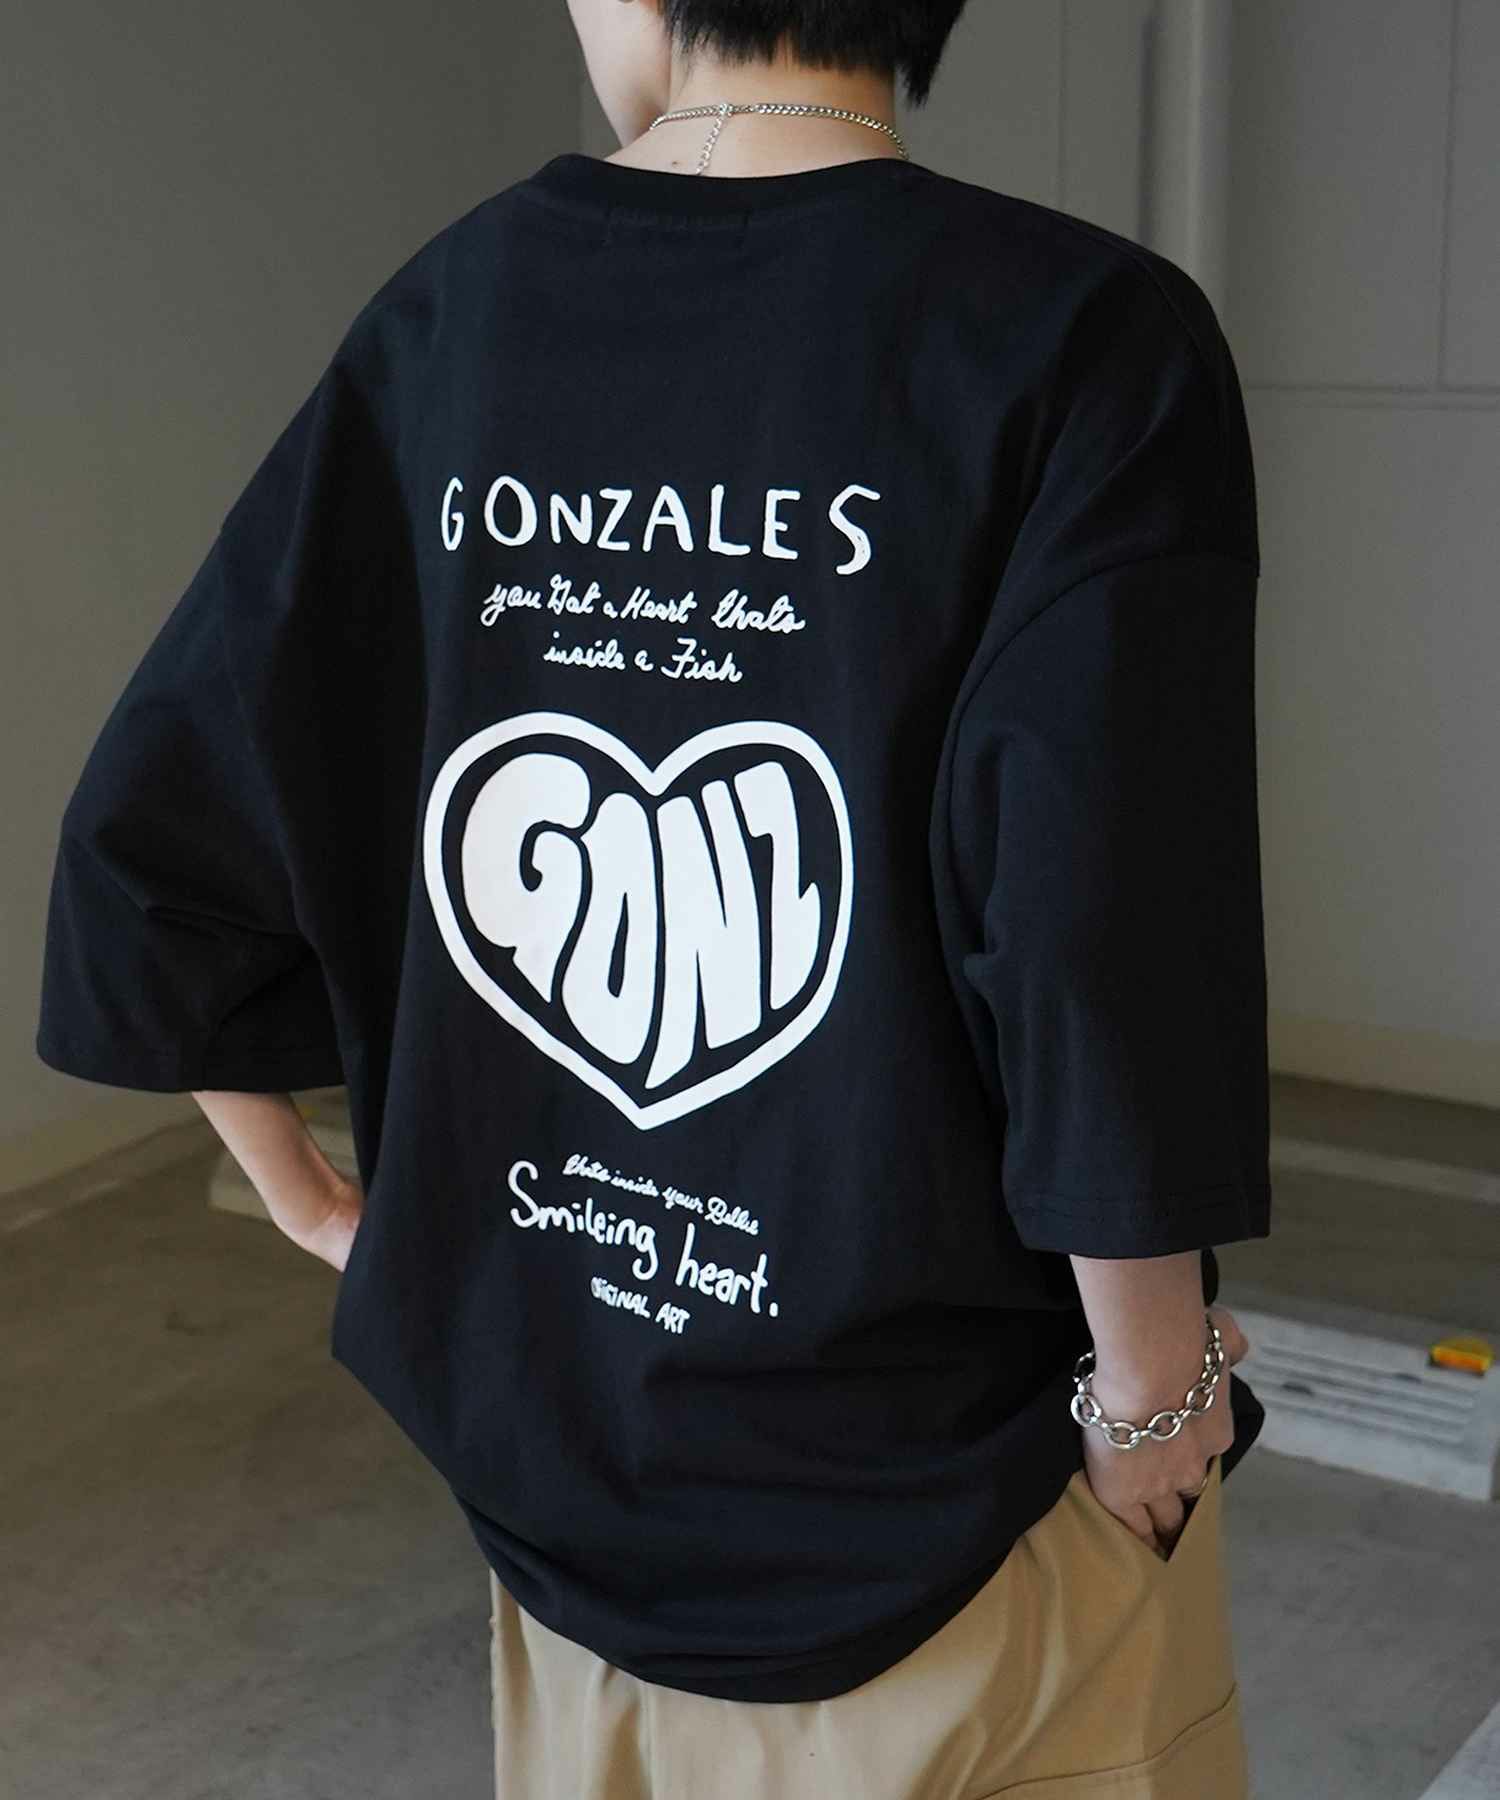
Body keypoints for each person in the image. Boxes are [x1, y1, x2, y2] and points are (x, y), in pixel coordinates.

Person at [35, 0, 1273, 1793]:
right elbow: (1097, 920)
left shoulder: (453, 316)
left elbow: (160, 832)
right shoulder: (1079, 333)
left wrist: (334, 1217)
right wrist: (1155, 1394)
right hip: (957, 1517)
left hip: (561, 1517)